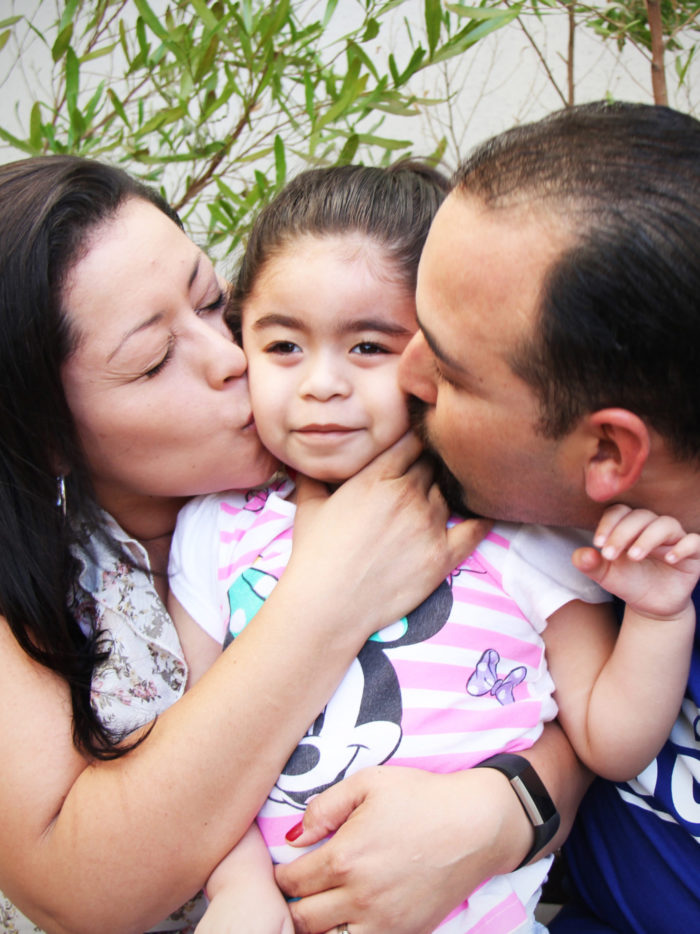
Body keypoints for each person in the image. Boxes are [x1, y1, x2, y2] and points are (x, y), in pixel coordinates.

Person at [168, 160, 700, 933]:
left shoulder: (517, 534)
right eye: (283, 345)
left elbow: (610, 743)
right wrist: (239, 887)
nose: (321, 383)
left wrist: (656, 618)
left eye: (369, 348)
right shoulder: (217, 531)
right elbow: (192, 754)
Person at [0, 154, 484, 934]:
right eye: (157, 360)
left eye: (212, 301)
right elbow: (79, 892)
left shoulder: (384, 455)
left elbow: (540, 687)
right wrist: (326, 600)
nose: (233, 359)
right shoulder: (31, 596)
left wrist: (502, 810)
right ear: (46, 436)